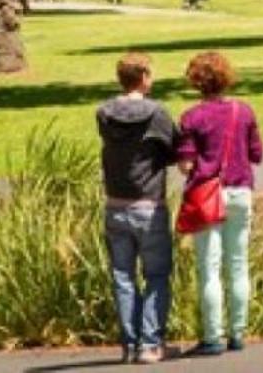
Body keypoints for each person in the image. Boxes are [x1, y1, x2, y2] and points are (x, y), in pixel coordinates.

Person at [176, 50, 263, 356]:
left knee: (209, 268)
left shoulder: (191, 117)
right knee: (238, 264)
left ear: (196, 82)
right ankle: (238, 332)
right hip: (240, 191)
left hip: (207, 196)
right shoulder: (245, 111)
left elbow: (186, 166)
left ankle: (213, 336)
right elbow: (256, 154)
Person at [96, 51, 177, 366]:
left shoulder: (104, 113)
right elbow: (174, 146)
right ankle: (151, 343)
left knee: (123, 276)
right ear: (143, 77)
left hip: (115, 203)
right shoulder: (156, 113)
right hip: (148, 203)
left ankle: (130, 344)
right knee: (156, 274)